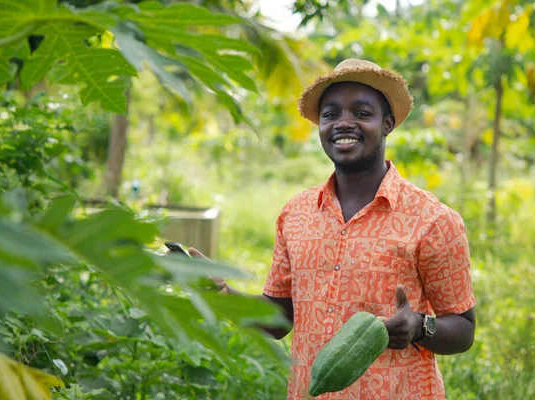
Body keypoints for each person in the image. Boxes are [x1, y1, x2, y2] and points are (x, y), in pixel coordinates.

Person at [180, 59, 476, 399]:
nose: (344, 123)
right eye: (331, 114)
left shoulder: (433, 220)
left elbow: (463, 329)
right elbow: (279, 319)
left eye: (362, 113)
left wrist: (419, 326)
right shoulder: (296, 214)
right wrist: (223, 296)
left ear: (387, 124)